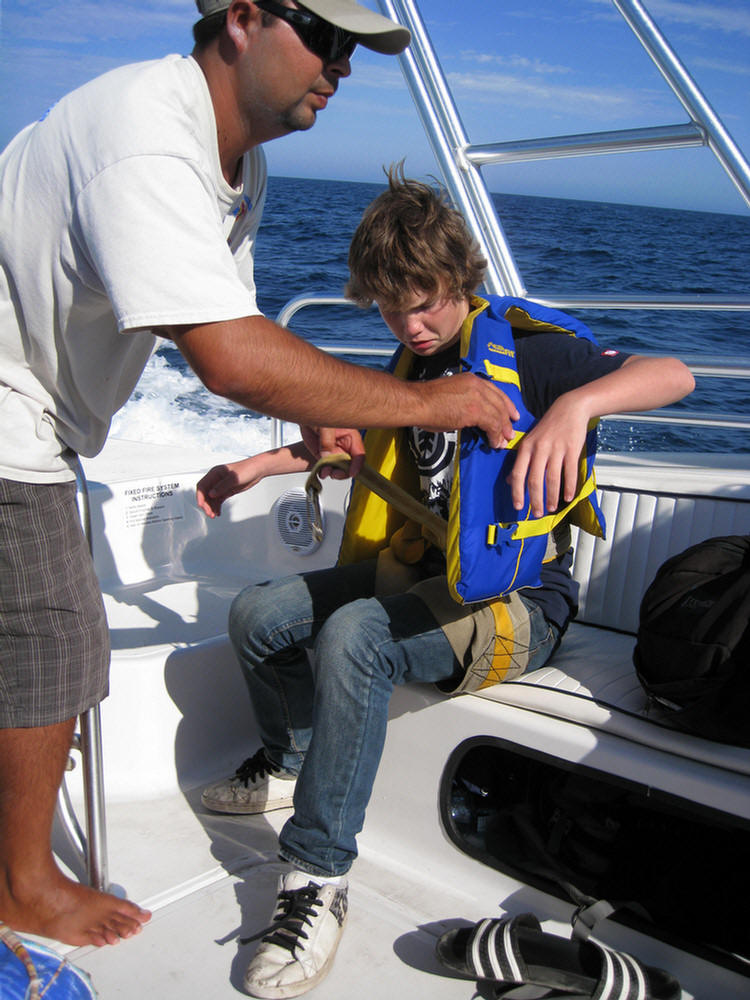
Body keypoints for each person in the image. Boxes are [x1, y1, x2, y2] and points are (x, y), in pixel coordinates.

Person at [0, 1, 525, 952]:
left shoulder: (240, 171)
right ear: (242, 18)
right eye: (324, 39)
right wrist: (426, 404)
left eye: (353, 49)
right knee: (54, 644)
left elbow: (223, 319)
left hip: (44, 407)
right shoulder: (146, 137)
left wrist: (314, 412)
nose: (342, 66)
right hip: (9, 401)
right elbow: (231, 358)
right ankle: (22, 888)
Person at [196, 167, 696, 998]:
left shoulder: (531, 356)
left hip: (518, 606)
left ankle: (317, 877)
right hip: (424, 579)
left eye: (426, 300)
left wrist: (575, 408)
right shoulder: (414, 367)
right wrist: (253, 466)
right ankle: (288, 760)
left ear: (460, 278)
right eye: (392, 307)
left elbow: (673, 372)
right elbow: (353, 442)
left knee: (353, 638)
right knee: (259, 612)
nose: (412, 324)